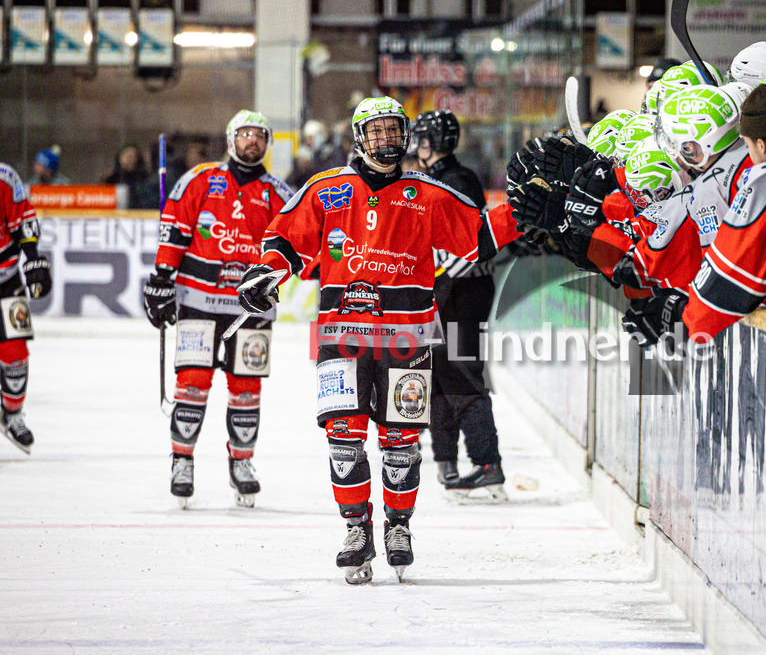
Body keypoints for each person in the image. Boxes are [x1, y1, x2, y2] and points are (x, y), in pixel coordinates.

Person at [236, 96, 521, 584]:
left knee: (400, 440)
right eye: (377, 131)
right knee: (343, 438)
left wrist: (526, 204)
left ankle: (398, 527)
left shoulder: (427, 193)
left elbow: (478, 234)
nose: (387, 139)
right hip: (341, 338)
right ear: (359, 136)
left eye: (394, 130)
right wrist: (266, 273)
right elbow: (286, 241)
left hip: (407, 339)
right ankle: (355, 530)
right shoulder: (325, 190)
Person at [142, 110, 292, 509]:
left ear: (268, 143)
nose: (252, 141)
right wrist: (161, 279)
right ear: (230, 140)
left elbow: (294, 248)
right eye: (244, 134)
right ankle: (182, 460)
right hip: (198, 300)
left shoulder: (279, 193)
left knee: (247, 387)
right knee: (192, 381)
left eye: (259, 135)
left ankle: (242, 464)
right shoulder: (200, 180)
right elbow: (174, 231)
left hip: (251, 307)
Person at [622, 84, 766, 345]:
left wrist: (682, 315)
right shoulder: (759, 164)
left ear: (761, 143)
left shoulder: (740, 182)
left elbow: (730, 273)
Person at [410, 109, 505, 498]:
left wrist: (436, 277)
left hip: (462, 294)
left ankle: (487, 464)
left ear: (429, 143)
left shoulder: (455, 180)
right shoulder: (442, 178)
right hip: (449, 293)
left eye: (419, 140)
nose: (415, 147)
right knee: (441, 379)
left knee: (463, 378)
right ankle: (447, 461)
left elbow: (467, 247)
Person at [0, 163, 51, 453]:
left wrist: (32, 259)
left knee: (16, 356)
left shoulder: (5, 177)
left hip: (6, 280)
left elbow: (24, 219)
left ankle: (12, 414)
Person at [104, 144, 151, 209]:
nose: (132, 160)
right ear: (120, 158)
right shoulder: (111, 179)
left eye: (135, 157)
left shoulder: (145, 179)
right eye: (129, 156)